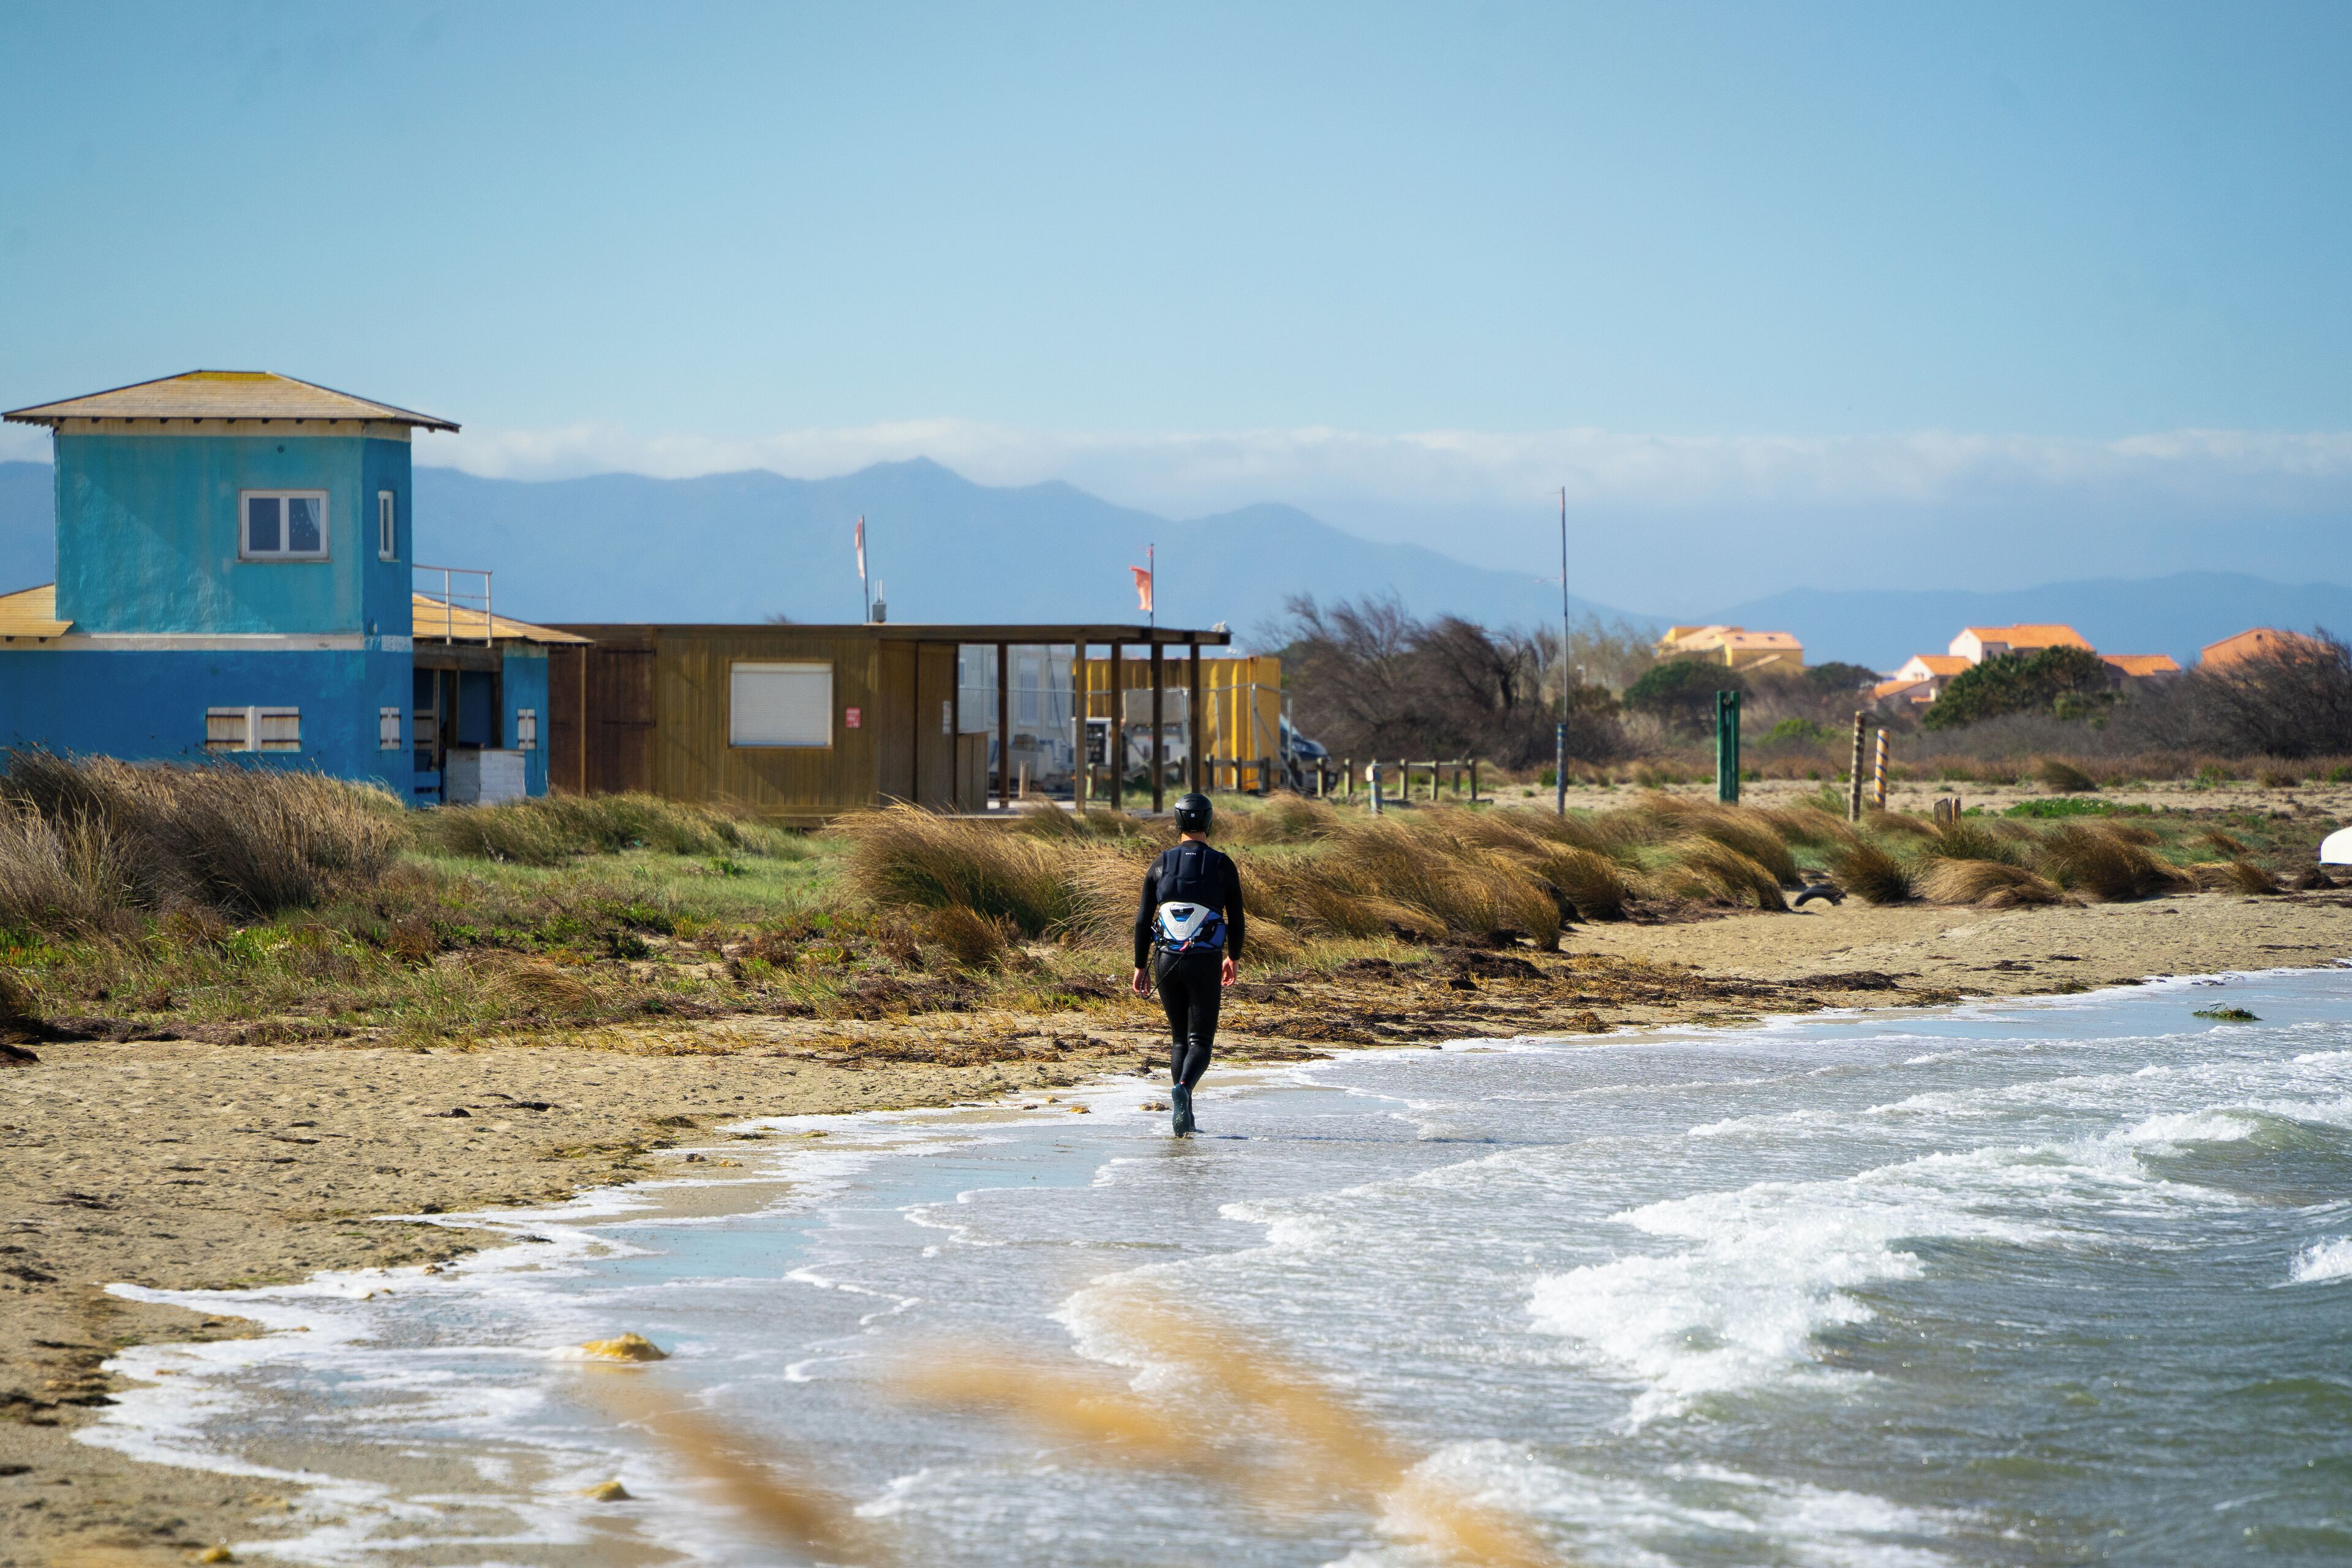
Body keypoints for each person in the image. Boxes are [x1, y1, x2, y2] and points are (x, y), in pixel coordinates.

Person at [1130, 791, 1243, 1136]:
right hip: (1204, 960)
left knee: (1179, 1040)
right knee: (1201, 1041)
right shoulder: (1222, 864)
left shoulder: (1160, 863)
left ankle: (1187, 1121)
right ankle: (1183, 1088)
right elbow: (1237, 919)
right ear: (1209, 822)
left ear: (1177, 822)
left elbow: (1142, 921)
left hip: (1165, 960)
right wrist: (1233, 957)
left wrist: (1140, 965)